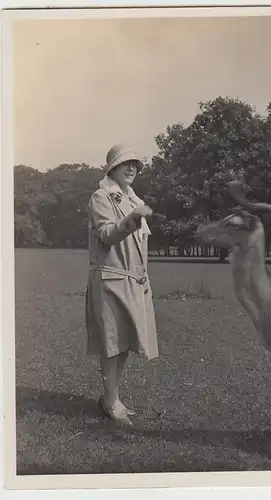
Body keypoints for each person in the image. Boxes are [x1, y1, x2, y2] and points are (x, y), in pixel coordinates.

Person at [85, 144, 159, 427]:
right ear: (112, 168)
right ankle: (111, 401)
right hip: (111, 279)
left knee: (125, 343)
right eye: (126, 163)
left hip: (132, 282)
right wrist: (133, 219)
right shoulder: (101, 197)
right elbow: (106, 235)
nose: (132, 169)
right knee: (112, 344)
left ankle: (111, 399)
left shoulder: (132, 200)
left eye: (136, 165)